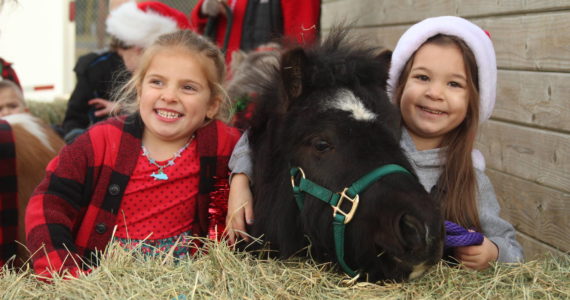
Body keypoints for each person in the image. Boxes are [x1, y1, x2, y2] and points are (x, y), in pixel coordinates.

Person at [225, 16, 524, 271]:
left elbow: (512, 248)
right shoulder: (374, 138)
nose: (435, 93)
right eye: (422, 77)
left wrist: (493, 253)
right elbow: (270, 135)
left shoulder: (468, 176)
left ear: (474, 101)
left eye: (454, 84)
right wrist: (241, 177)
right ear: (399, 84)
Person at [25, 30, 241, 278]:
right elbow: (48, 202)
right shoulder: (100, 141)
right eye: (157, 82)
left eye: (188, 88)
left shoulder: (223, 144)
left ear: (212, 105)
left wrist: (243, 175)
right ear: (139, 91)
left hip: (185, 284)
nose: (169, 96)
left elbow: (264, 147)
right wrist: (63, 272)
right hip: (102, 280)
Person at [61, 1, 192, 143]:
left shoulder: (161, 73)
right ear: (139, 47)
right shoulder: (95, 67)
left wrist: (122, 109)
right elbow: (73, 119)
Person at [189, 0, 320, 63]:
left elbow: (302, 40)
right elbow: (195, 25)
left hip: (261, 80)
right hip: (222, 73)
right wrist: (203, 9)